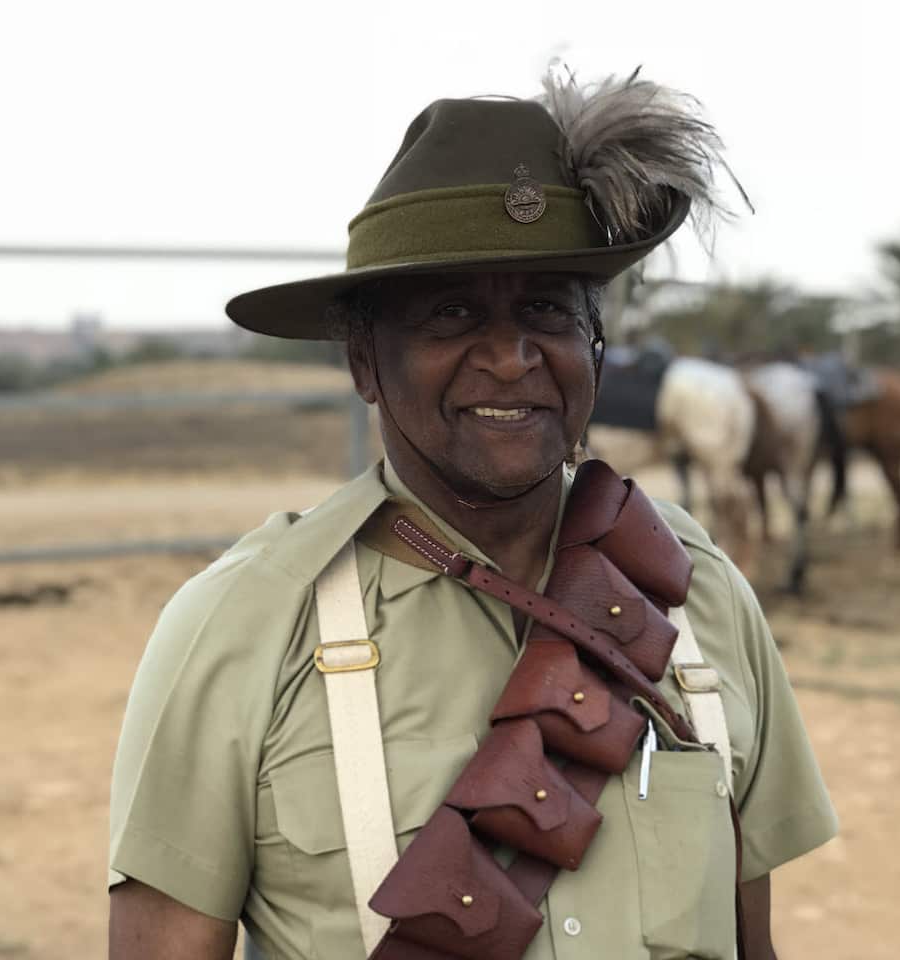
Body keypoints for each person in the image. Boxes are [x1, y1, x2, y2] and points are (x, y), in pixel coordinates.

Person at [108, 66, 837, 960]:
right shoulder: (242, 628)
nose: (511, 357)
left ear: (596, 351)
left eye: (545, 309)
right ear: (366, 366)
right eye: (451, 315)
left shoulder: (696, 595)